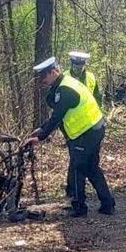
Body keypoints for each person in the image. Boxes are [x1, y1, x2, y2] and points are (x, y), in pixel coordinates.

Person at [22, 56, 115, 217]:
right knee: (91, 168)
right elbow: (57, 115)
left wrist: (40, 137)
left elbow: (58, 116)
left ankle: (79, 207)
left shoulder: (65, 89)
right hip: (93, 128)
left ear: (53, 72)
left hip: (86, 132)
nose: (42, 81)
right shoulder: (65, 84)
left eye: (44, 76)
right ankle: (107, 203)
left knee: (78, 168)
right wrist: (41, 129)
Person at [64, 51, 102, 198]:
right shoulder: (66, 77)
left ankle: (78, 191)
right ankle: (72, 190)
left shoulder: (91, 77)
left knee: (90, 159)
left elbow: (97, 97)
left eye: (80, 65)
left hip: (91, 125)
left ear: (85, 65)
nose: (78, 68)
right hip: (72, 126)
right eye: (75, 65)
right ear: (71, 64)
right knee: (75, 158)